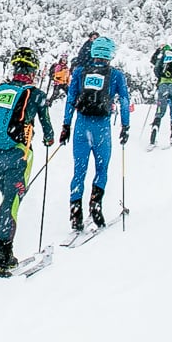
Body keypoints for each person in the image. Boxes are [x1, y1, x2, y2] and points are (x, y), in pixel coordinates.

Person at [0, 46, 57, 276]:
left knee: (8, 200)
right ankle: (3, 256)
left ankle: (4, 251)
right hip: (19, 155)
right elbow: (48, 131)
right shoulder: (35, 94)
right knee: (11, 202)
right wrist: (48, 138)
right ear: (33, 71)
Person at [60, 36, 132, 232]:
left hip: (81, 126)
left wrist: (66, 125)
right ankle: (96, 207)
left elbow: (70, 99)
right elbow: (124, 100)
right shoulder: (116, 75)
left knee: (79, 171)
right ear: (110, 54)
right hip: (102, 128)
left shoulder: (80, 72)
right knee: (101, 169)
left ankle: (75, 213)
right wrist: (125, 126)